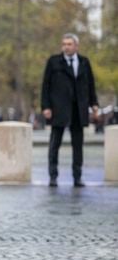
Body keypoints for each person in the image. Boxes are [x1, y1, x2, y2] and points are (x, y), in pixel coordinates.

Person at [41, 33, 98, 187]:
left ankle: (77, 177)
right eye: (64, 44)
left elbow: (90, 84)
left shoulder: (84, 62)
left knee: (78, 146)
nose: (66, 47)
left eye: (69, 44)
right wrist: (46, 106)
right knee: (55, 144)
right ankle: (53, 176)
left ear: (76, 46)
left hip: (78, 109)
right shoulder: (53, 62)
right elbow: (45, 86)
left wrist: (94, 104)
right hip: (58, 108)